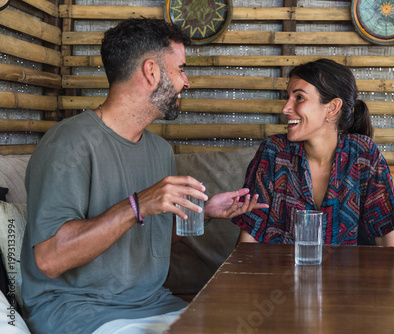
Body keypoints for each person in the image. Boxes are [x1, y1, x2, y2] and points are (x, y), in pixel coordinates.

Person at [21, 18, 267, 334]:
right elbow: (49, 260)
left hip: (154, 304)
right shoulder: (69, 143)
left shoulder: (160, 150)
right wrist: (136, 205)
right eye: (180, 69)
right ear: (151, 71)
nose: (186, 82)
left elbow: (151, 236)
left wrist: (205, 213)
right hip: (79, 311)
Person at [232, 59, 394, 247]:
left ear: (332, 108)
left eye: (299, 98)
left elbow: (388, 239)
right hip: (278, 275)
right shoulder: (274, 152)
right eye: (287, 97)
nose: (285, 108)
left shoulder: (362, 155)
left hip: (342, 275)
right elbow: (249, 236)